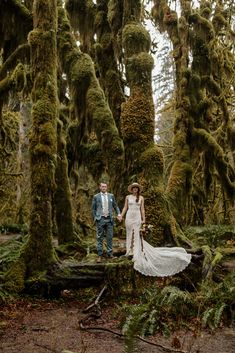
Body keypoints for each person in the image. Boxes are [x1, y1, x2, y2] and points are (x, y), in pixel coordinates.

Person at [121, 182, 191, 277]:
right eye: (133, 188)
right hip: (129, 217)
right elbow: (125, 207)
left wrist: (143, 219)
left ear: (138, 189)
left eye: (136, 188)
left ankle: (136, 252)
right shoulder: (127, 197)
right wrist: (121, 215)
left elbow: (142, 209)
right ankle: (128, 250)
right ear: (131, 189)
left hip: (137, 217)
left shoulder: (141, 198)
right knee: (129, 233)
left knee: (137, 234)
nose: (135, 190)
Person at [92, 181, 122, 262]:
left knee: (110, 237)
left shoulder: (111, 196)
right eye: (102, 186)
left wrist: (119, 213)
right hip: (100, 219)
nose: (104, 188)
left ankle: (110, 254)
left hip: (109, 219)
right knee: (99, 238)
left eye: (105, 186)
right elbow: (93, 209)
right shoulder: (96, 196)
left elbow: (115, 206)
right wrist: (96, 218)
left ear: (107, 187)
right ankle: (99, 255)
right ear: (100, 187)